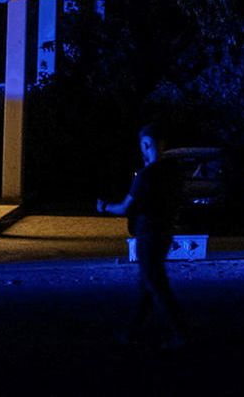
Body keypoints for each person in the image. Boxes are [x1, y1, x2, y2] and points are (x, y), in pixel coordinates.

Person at [96, 124, 188, 348]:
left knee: (156, 286)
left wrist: (105, 206)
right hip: (164, 233)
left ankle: (181, 335)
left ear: (150, 145)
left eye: (145, 145)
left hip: (148, 235)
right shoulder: (172, 172)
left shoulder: (146, 176)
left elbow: (126, 207)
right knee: (147, 285)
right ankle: (131, 332)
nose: (143, 150)